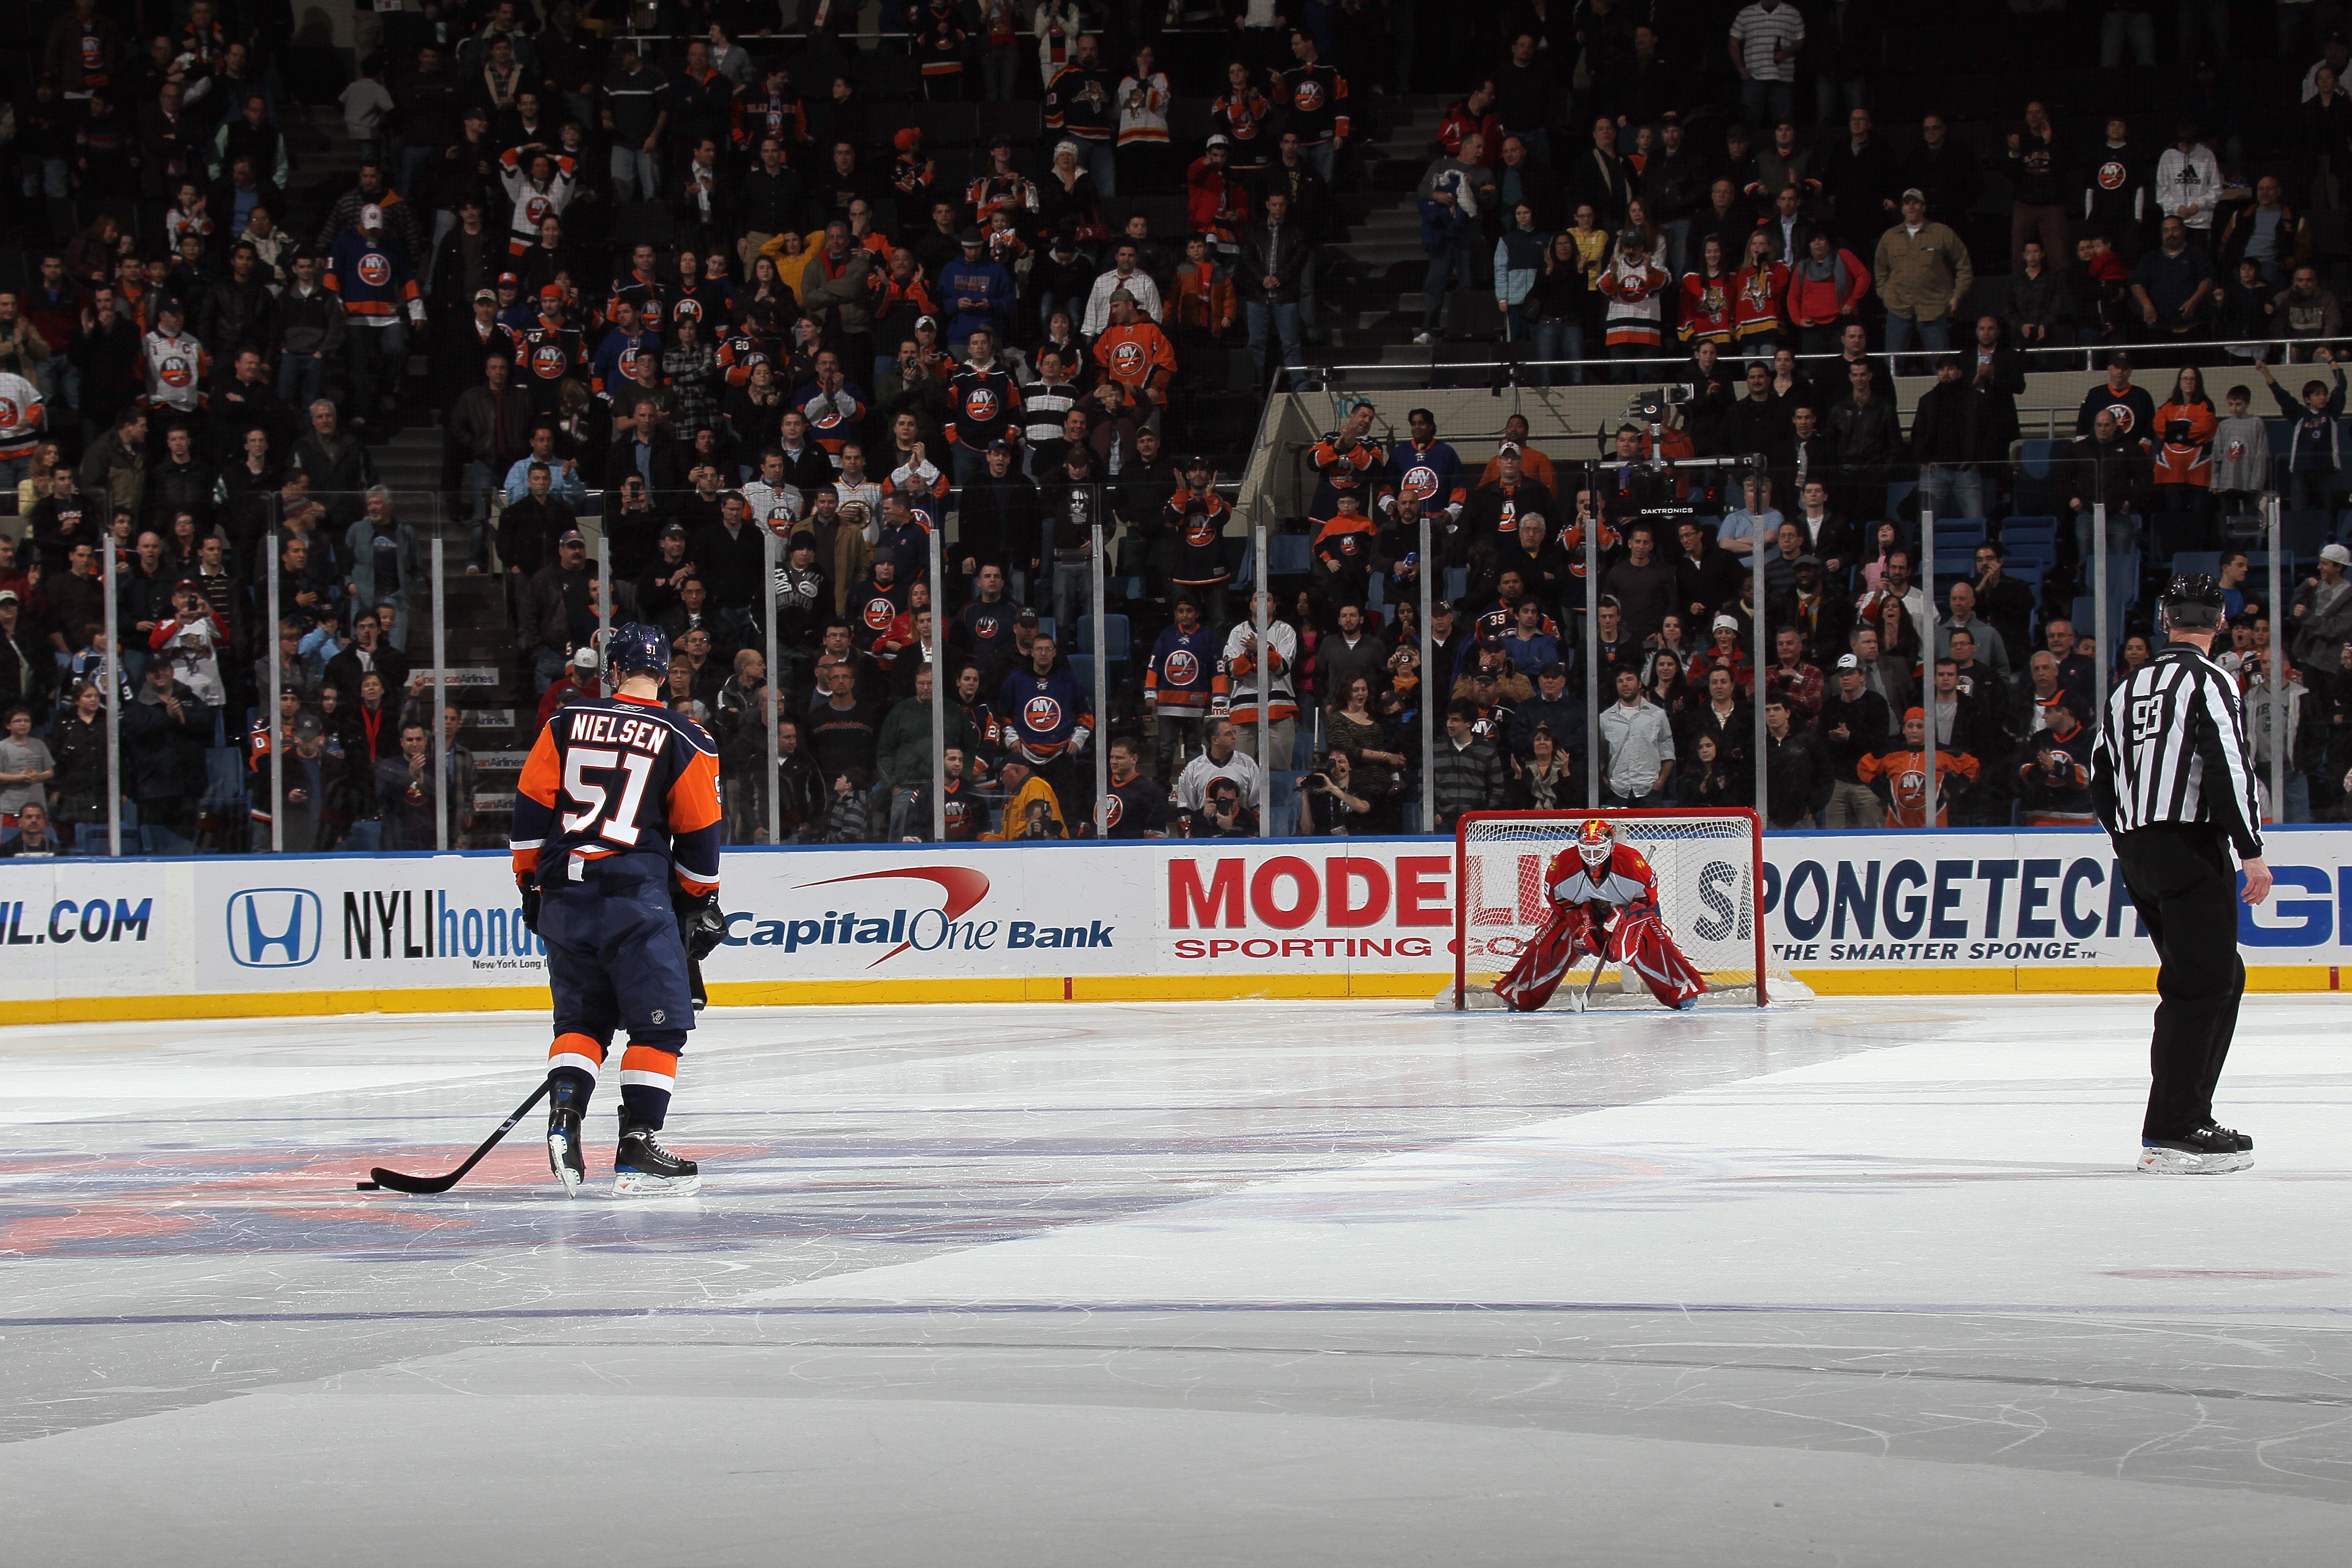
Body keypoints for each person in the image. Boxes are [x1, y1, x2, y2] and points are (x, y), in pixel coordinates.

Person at [512, 623, 726, 1199]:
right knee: (665, 1025)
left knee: (580, 1025)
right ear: (664, 676)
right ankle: (637, 1143)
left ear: (612, 671)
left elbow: (531, 812)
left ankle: (565, 1117)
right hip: (634, 898)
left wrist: (530, 887)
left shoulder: (564, 722)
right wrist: (698, 898)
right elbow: (700, 834)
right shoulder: (685, 735)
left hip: (564, 895)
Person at [2090, 574, 2270, 1175]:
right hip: (2189, 843)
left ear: (2166, 623)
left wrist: (2127, 840)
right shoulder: (2212, 680)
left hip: (2139, 847)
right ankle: (2174, 1127)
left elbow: (2101, 772)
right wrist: (2250, 849)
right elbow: (2229, 765)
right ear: (2220, 624)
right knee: (2202, 985)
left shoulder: (2127, 687)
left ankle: (2190, 1111)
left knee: (2218, 975)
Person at [1492, 817, 1706, 1011]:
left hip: (1628, 910)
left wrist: (1623, 921)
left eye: (1598, 849)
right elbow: (1558, 904)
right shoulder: (1563, 866)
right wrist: (1580, 922)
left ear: (1611, 845)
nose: (1592, 857)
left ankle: (1682, 991)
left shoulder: (1632, 863)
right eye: (1587, 850)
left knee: (1646, 934)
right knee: (1557, 936)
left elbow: (1647, 902)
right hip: (1583, 911)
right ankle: (1521, 992)